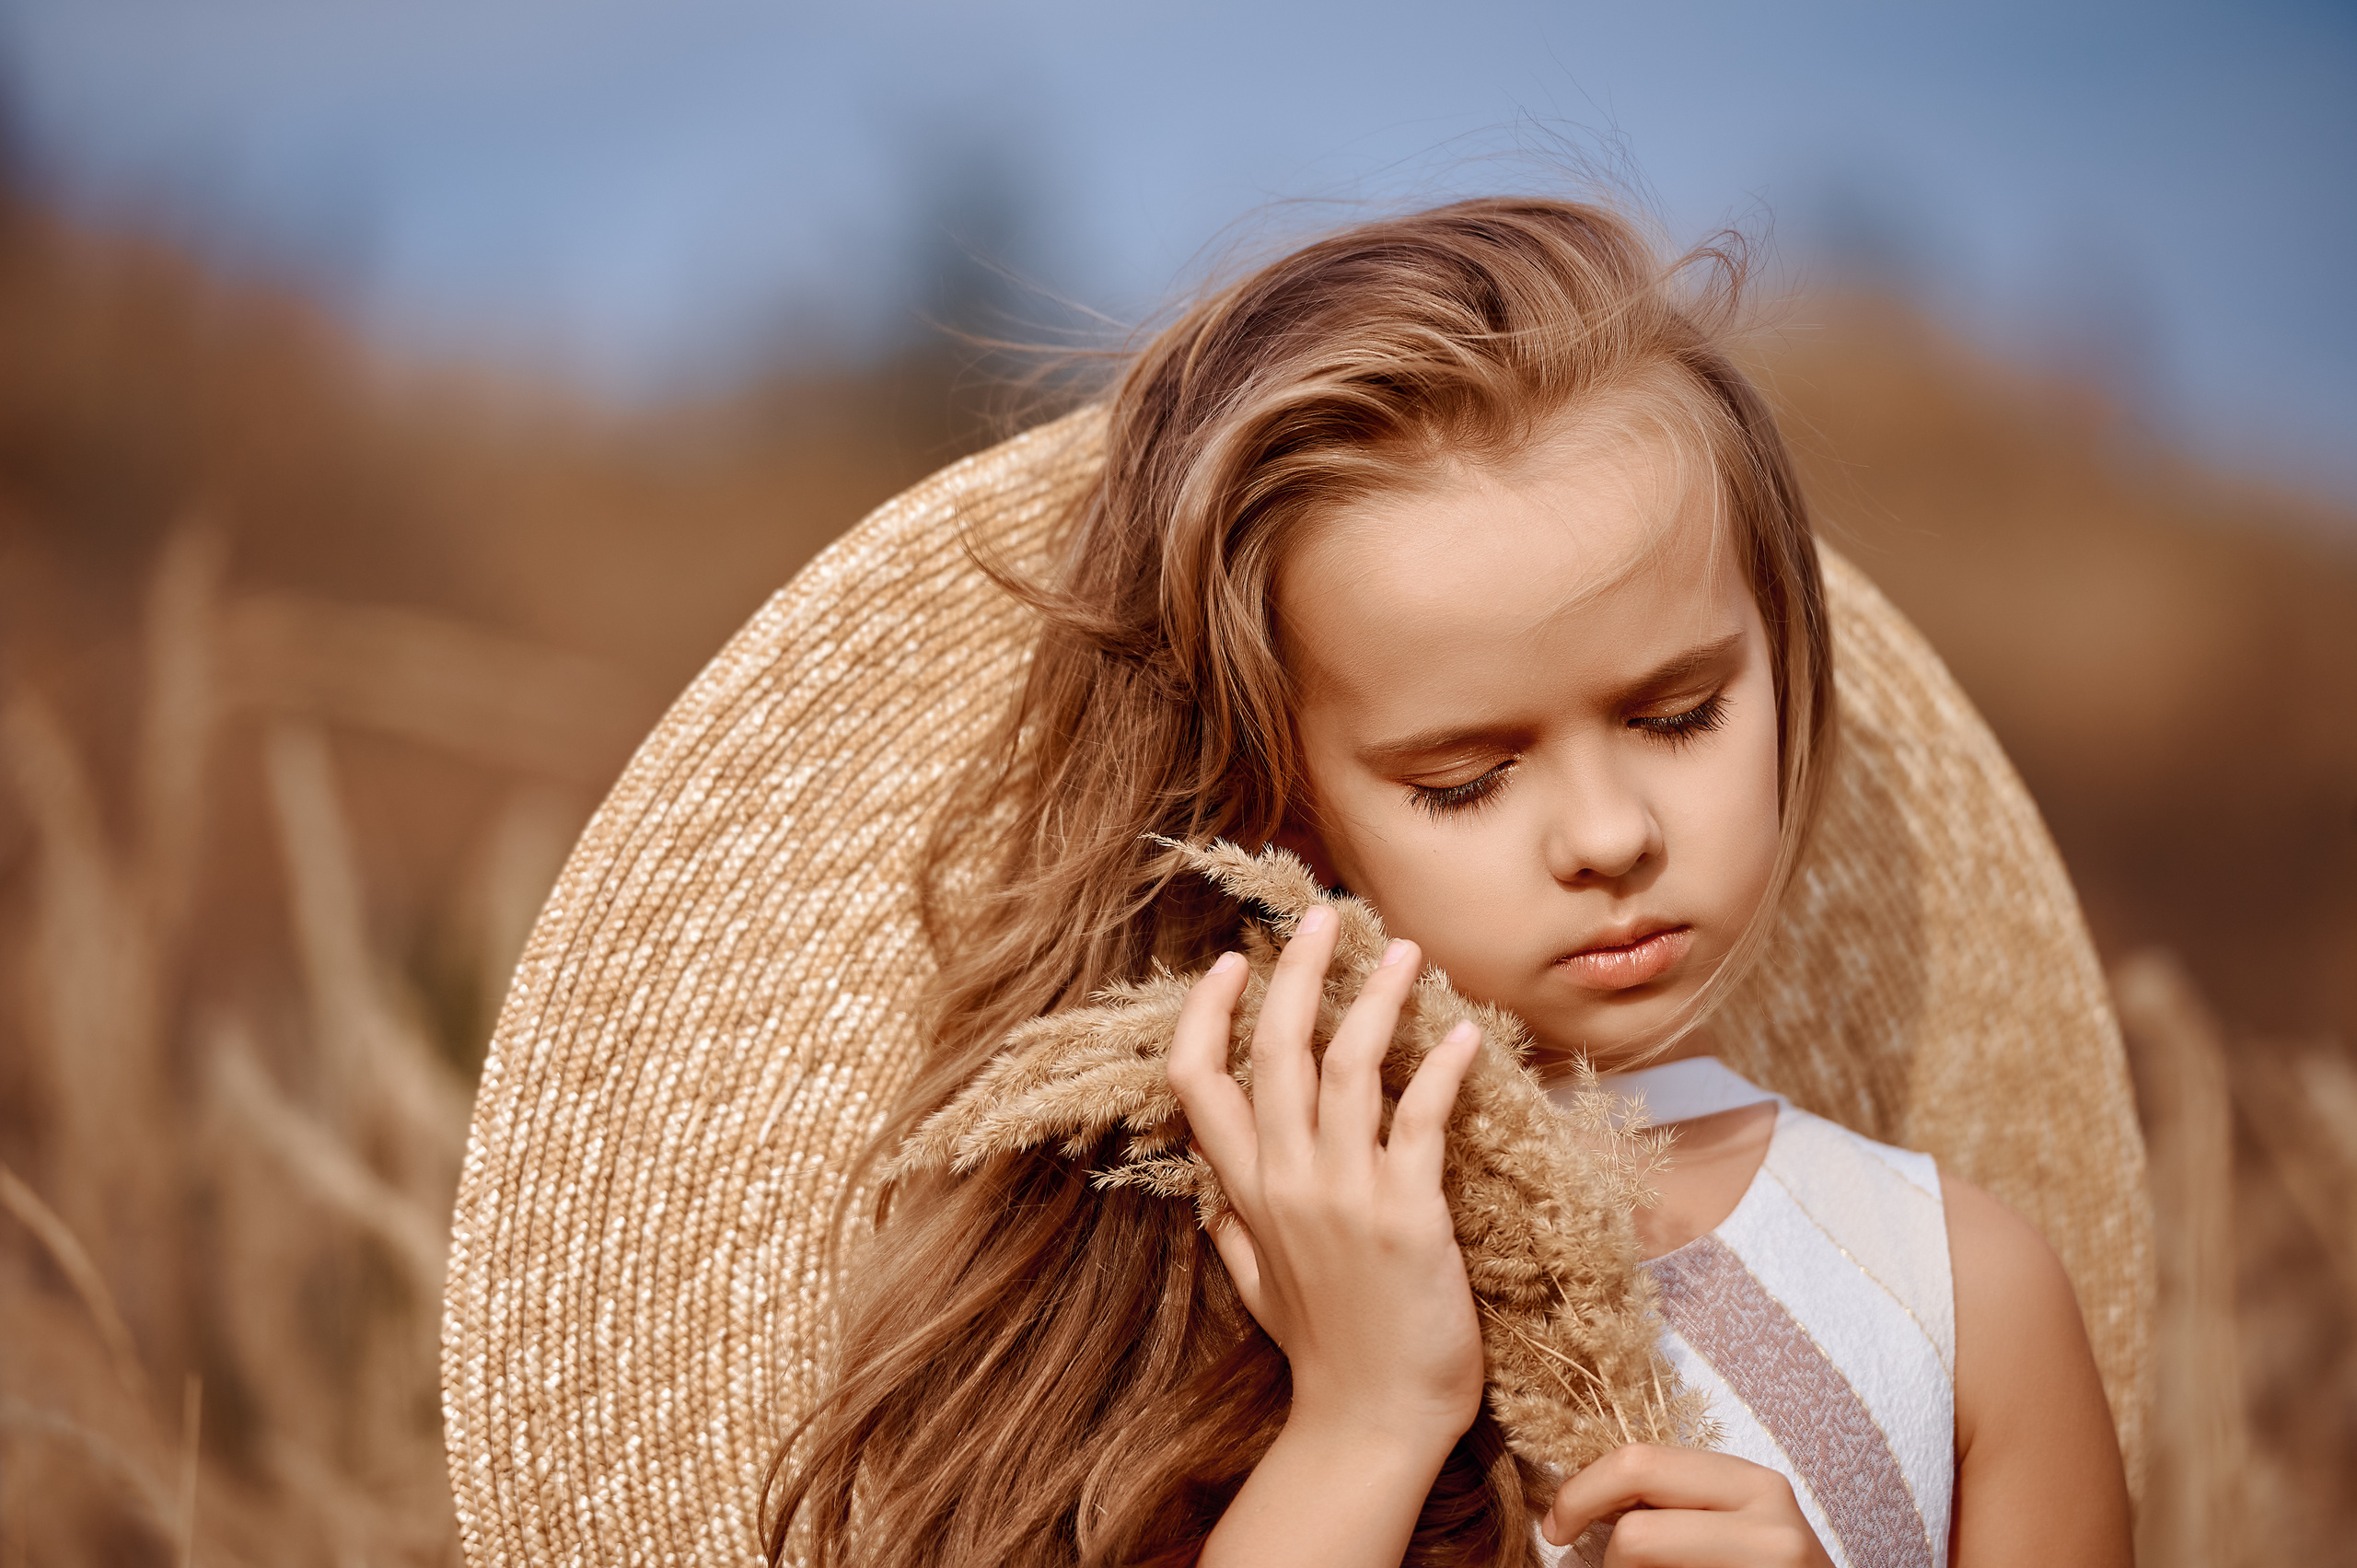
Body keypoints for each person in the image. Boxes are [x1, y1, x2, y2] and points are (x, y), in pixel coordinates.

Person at [751, 196, 2132, 1567]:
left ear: (1786, 661)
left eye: (1678, 716)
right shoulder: (1198, 1283)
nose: (1608, 834)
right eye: (1465, 776)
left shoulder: (1962, 1298)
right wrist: (1363, 1422)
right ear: (1280, 814)